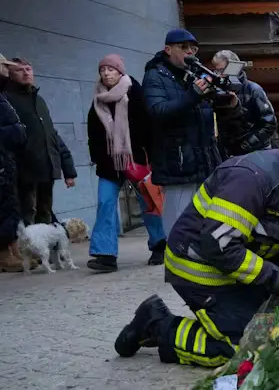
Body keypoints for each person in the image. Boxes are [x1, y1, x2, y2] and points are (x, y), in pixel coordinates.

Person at [114, 112, 279, 367]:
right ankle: (157, 324)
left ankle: (256, 305)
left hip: (245, 263)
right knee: (247, 346)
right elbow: (219, 246)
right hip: (201, 266)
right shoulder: (252, 179)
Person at [85, 54, 167, 272]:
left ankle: (160, 245)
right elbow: (93, 133)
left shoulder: (135, 93)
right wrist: (98, 157)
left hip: (137, 160)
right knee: (105, 203)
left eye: (110, 69)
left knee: (149, 202)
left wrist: (152, 157)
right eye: (102, 70)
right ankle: (106, 255)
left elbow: (149, 127)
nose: (106, 73)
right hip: (109, 164)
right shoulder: (98, 99)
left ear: (120, 71)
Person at [143, 29, 225, 235]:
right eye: (183, 47)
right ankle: (176, 263)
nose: (190, 52)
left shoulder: (197, 74)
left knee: (208, 221)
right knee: (178, 224)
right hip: (177, 162)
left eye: (193, 48)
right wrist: (193, 95)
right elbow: (157, 111)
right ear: (168, 49)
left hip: (205, 160)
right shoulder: (155, 76)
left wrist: (228, 102)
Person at [3, 58, 77, 225]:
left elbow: (51, 135)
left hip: (46, 169)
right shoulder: (7, 100)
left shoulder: (39, 100)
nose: (26, 72)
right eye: (20, 70)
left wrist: (68, 169)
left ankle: (46, 251)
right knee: (27, 216)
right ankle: (27, 251)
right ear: (10, 75)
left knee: (45, 215)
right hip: (23, 172)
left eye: (29, 69)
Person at [211, 50, 279, 158]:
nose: (220, 75)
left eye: (223, 70)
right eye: (216, 71)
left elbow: (269, 124)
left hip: (256, 153)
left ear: (235, 68)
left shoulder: (253, 90)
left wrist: (244, 146)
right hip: (228, 154)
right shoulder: (216, 92)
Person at [0, 54, 26, 271]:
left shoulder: (2, 95)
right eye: (3, 67)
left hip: (7, 160)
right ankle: (5, 254)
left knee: (10, 206)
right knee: (4, 208)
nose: (7, 71)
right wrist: (15, 131)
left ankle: (13, 249)